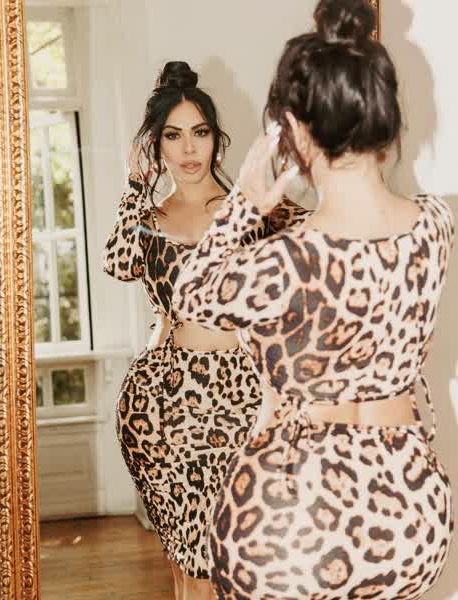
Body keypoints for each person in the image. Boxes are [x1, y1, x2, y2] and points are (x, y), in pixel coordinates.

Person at [172, 2, 455, 598]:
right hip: (409, 511)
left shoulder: (285, 261)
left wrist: (244, 205)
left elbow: (190, 295)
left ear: (296, 131)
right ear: (386, 118)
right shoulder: (436, 224)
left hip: (294, 513)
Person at [103, 61, 304, 599]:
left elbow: (322, 250)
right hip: (162, 405)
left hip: (242, 399)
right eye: (173, 136)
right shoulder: (149, 217)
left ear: (217, 138)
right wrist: (134, 186)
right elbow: (118, 262)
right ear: (155, 146)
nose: (189, 149)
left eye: (200, 132)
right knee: (186, 565)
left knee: (237, 561)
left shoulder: (254, 209)